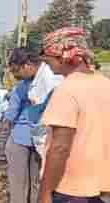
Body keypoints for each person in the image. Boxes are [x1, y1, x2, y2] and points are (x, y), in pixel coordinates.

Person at [39, 27, 110, 203]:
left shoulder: (67, 90)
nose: (48, 66)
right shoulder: (105, 84)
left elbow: (60, 148)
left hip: (71, 188)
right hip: (101, 186)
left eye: (49, 62)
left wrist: (45, 193)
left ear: (64, 58)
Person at [3, 48, 61, 203]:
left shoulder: (41, 81)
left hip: (24, 138)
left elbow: (11, 113)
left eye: (17, 71)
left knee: (18, 183)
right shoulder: (41, 79)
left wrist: (6, 124)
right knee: (36, 181)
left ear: (27, 65)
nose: (17, 76)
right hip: (39, 138)